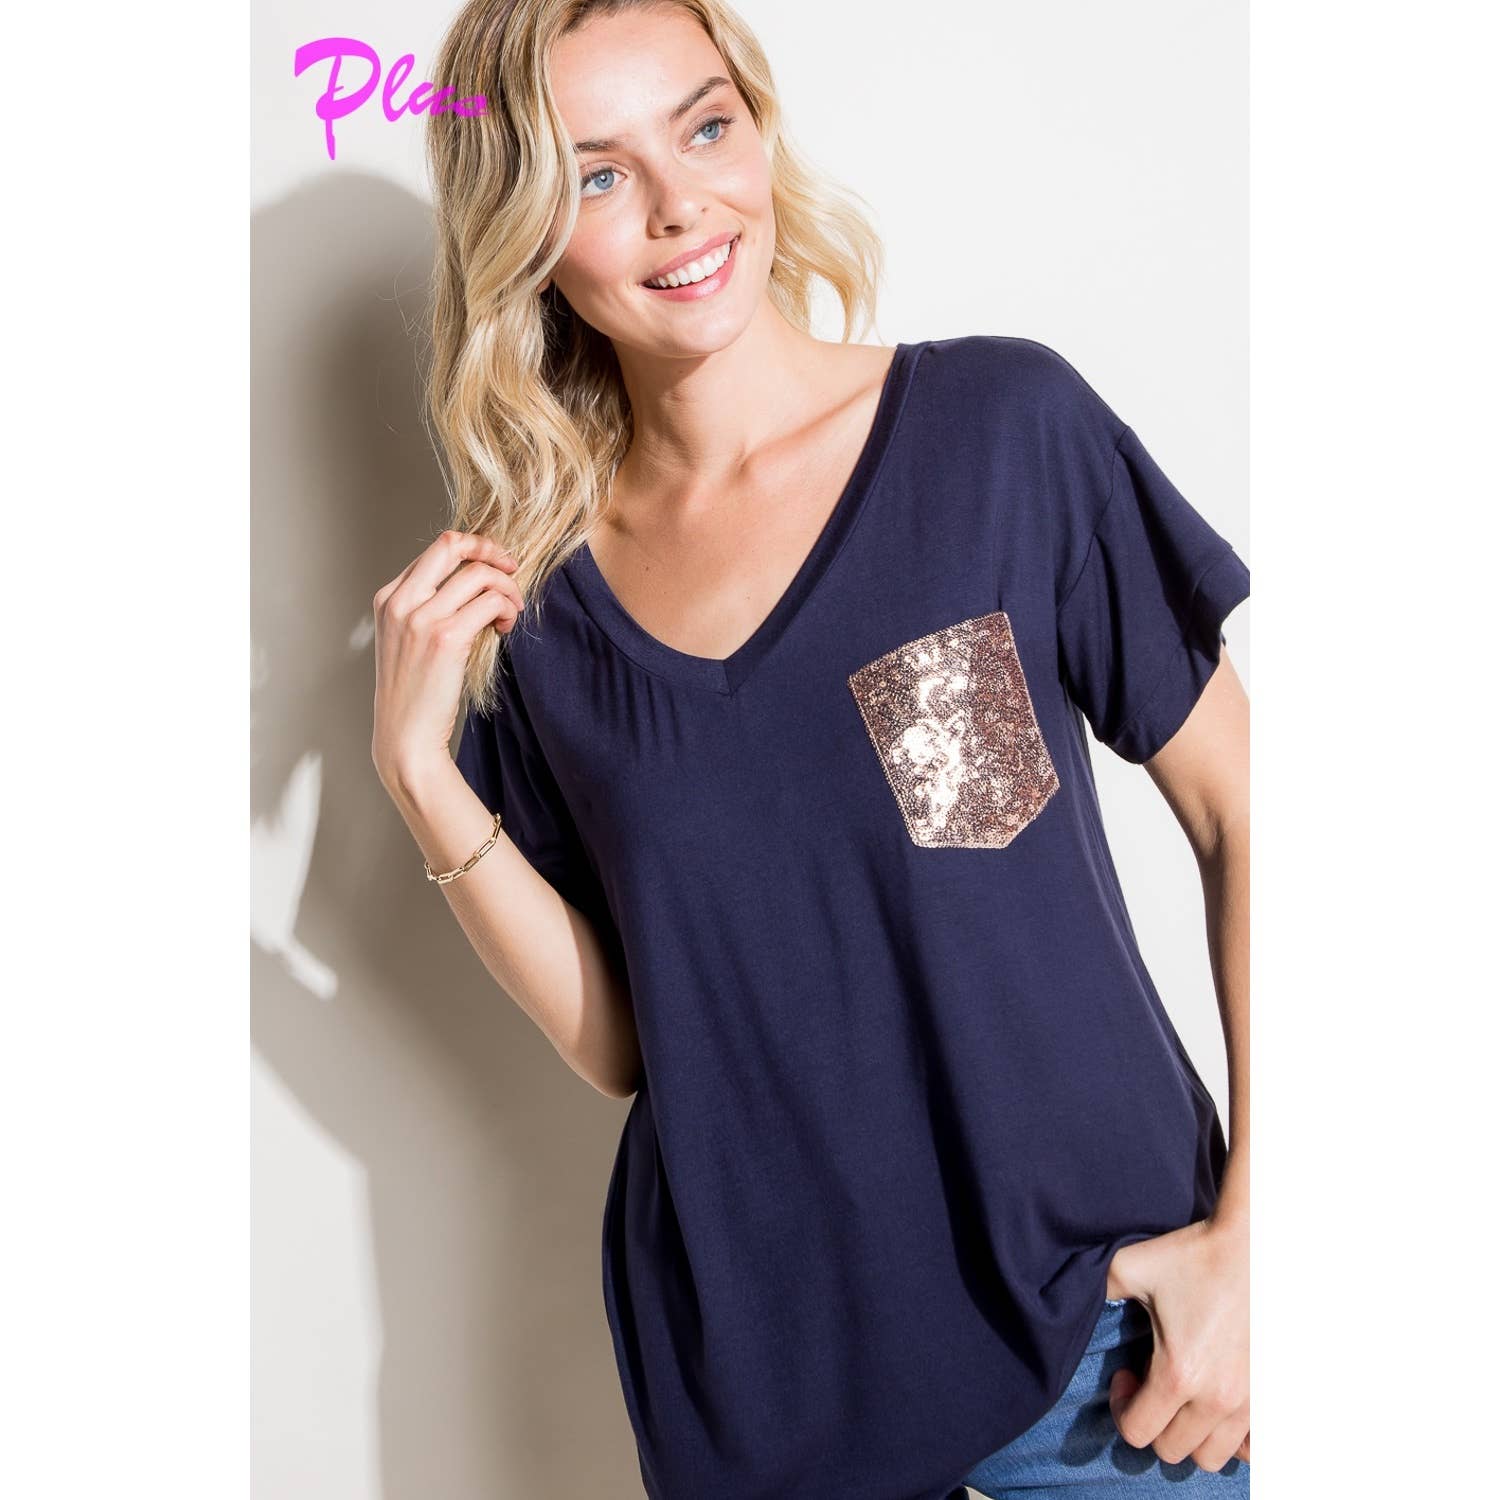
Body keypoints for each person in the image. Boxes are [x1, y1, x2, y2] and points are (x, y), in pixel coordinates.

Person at [371, 2, 1251, 1496]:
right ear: (524, 232)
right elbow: (636, 1044)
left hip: (1113, 1353)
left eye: (705, 127)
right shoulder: (546, 610)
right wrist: (422, 777)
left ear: (760, 129)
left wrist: (1261, 1235)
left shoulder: (999, 435)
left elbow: (1244, 817)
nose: (680, 205)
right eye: (598, 175)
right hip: (769, 1405)